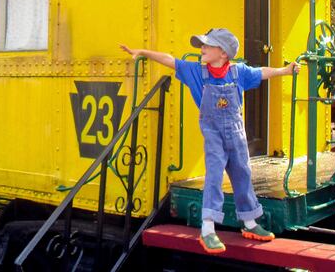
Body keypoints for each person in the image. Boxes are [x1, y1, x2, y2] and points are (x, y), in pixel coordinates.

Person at [120, 28, 300, 254]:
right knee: (214, 175)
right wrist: (143, 52)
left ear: (223, 53)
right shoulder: (196, 72)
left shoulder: (238, 72)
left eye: (207, 45)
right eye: (202, 45)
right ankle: (208, 229)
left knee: (242, 173)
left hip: (236, 132)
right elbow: (170, 60)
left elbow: (261, 72)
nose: (202, 48)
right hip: (213, 134)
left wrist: (285, 70)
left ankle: (250, 222)